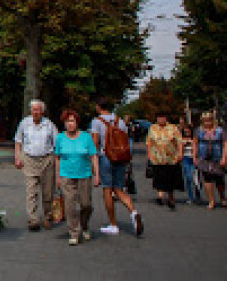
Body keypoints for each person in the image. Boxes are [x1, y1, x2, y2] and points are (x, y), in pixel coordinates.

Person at [90, 98, 143, 236]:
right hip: (120, 157)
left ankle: (113, 224)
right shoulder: (120, 121)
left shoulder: (97, 122)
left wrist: (92, 162)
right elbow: (125, 140)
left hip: (106, 156)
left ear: (98, 107)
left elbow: (95, 142)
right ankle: (133, 212)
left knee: (107, 190)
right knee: (119, 189)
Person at [54, 108, 99, 246]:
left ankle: (84, 224)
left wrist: (97, 174)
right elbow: (57, 158)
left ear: (77, 122)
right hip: (66, 175)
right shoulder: (60, 138)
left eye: (72, 121)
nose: (70, 124)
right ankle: (74, 232)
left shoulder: (86, 137)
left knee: (86, 204)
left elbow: (93, 156)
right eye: (67, 121)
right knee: (69, 205)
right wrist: (57, 177)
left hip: (84, 174)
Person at [13, 99, 58, 231]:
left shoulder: (49, 125)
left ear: (42, 111)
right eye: (33, 110)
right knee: (31, 191)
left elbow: (57, 144)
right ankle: (33, 219)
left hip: (47, 160)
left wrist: (57, 162)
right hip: (29, 159)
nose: (36, 112)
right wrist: (17, 157)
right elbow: (18, 141)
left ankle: (47, 217)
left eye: (38, 110)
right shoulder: (24, 123)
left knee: (48, 192)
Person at [146, 111, 184, 209]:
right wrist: (149, 154)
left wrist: (180, 153)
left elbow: (179, 141)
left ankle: (171, 196)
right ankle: (160, 196)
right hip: (157, 158)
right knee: (159, 177)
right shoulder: (153, 128)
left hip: (171, 158)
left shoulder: (173, 128)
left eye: (162, 117)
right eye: (159, 117)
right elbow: (149, 142)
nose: (160, 119)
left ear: (166, 118)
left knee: (170, 178)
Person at [195, 111, 226, 209]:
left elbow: (225, 144)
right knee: (207, 179)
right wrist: (194, 157)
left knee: (219, 179)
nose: (207, 123)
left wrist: (224, 158)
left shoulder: (220, 131)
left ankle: (222, 197)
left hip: (217, 157)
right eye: (205, 121)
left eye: (209, 121)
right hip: (204, 158)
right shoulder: (199, 130)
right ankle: (211, 200)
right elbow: (195, 143)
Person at [180, 124, 198, 204]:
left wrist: (195, 158)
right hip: (186, 159)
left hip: (193, 159)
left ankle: (197, 193)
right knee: (188, 178)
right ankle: (190, 196)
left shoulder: (194, 139)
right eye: (185, 130)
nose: (187, 132)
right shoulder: (182, 139)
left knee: (195, 178)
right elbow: (180, 151)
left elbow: (195, 149)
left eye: (188, 130)